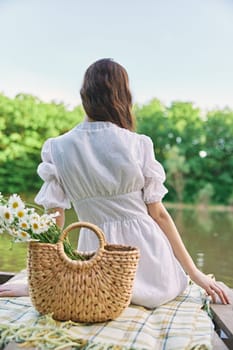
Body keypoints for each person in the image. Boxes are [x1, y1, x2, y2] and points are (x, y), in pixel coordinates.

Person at [0, 59, 229, 305]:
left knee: (95, 290)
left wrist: (45, 281)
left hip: (96, 267)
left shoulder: (57, 148)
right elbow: (159, 215)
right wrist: (195, 274)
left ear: (84, 95)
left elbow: (54, 223)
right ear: (123, 96)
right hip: (154, 271)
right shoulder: (138, 144)